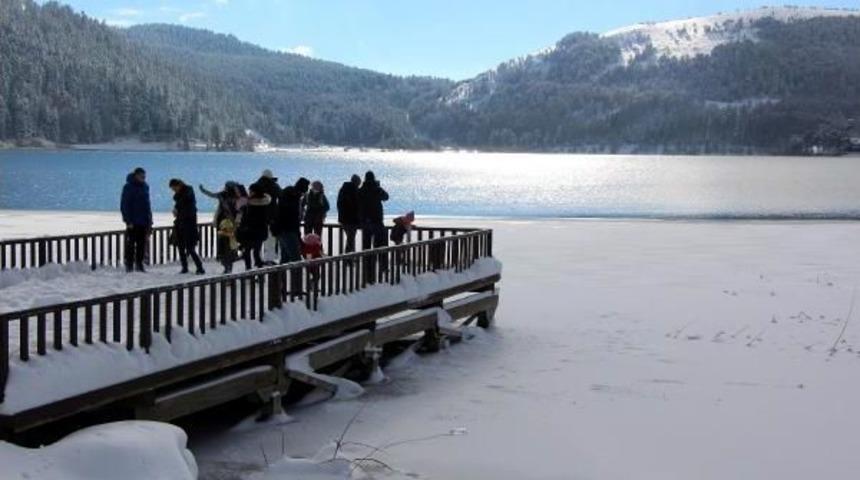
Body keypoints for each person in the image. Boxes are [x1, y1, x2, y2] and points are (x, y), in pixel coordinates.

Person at [358, 171, 389, 283]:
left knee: (366, 245)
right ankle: (382, 266)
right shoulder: (376, 189)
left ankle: (367, 267)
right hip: (377, 220)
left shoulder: (361, 190)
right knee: (380, 244)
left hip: (366, 221)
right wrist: (378, 186)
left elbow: (358, 203)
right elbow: (386, 197)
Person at [169, 179, 205, 275]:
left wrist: (177, 209)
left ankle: (200, 267)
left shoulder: (188, 193)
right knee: (181, 247)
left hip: (189, 225)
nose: (174, 190)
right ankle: (184, 267)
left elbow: (185, 204)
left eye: (174, 188)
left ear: (178, 186)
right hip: (180, 224)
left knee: (190, 248)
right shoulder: (180, 197)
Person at [120, 167, 152, 273]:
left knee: (141, 244)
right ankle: (129, 265)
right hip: (133, 222)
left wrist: (149, 220)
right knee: (131, 244)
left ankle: (139, 264)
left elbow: (147, 205)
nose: (143, 178)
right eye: (141, 176)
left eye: (144, 176)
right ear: (136, 175)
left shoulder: (145, 187)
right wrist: (128, 220)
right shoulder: (128, 187)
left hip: (144, 221)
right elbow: (125, 204)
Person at [274, 177, 310, 264]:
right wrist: (298, 235)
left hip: (280, 229)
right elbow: (293, 218)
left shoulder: (287, 195)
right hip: (288, 230)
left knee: (285, 258)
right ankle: (296, 273)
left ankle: (281, 273)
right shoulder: (293, 198)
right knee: (296, 259)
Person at [236, 185, 271, 270]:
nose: (249, 193)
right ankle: (259, 270)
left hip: (249, 232)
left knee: (247, 251)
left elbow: (243, 217)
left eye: (250, 191)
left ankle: (248, 270)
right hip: (261, 232)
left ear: (254, 192)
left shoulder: (248, 204)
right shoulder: (265, 203)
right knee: (256, 252)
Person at [251, 169, 282, 265]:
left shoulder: (255, 185)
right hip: (272, 216)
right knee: (271, 239)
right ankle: (269, 259)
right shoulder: (274, 186)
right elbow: (281, 195)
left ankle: (257, 259)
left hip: (257, 217)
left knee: (258, 240)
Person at [337, 175, 361, 254]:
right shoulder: (354, 190)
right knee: (350, 239)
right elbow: (356, 205)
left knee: (350, 238)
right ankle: (348, 257)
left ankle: (351, 256)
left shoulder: (343, 190)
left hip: (343, 219)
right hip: (352, 220)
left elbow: (339, 204)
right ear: (357, 182)